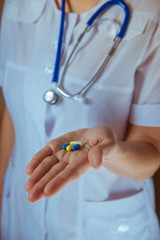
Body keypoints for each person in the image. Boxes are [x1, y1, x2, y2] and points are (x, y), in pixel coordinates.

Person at [0, 0, 160, 239]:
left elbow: (151, 148)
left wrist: (109, 151)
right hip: (20, 217)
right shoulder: (17, 6)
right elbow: (13, 118)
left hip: (103, 227)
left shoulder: (151, 16)